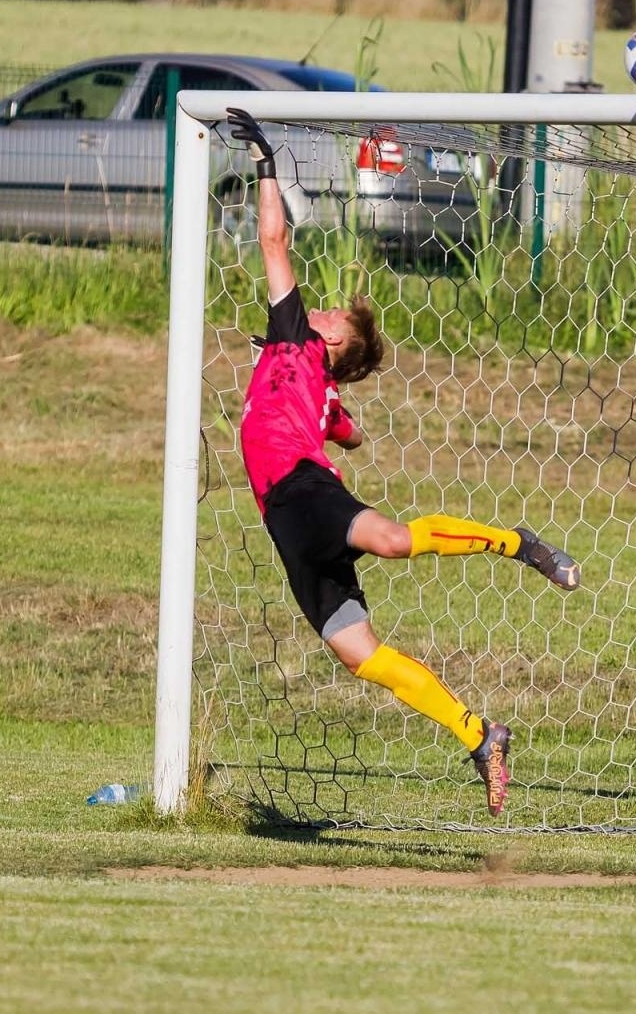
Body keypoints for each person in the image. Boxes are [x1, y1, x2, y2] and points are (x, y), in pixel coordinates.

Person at [226, 108, 581, 816]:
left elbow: (272, 238)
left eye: (331, 316)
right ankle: (479, 735)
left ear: (330, 341)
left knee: (390, 540)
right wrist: (335, 420)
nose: (319, 310)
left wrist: (266, 163)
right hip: (287, 521)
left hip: (300, 489)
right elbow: (352, 435)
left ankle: (517, 543)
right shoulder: (317, 383)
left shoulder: (294, 337)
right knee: (359, 653)